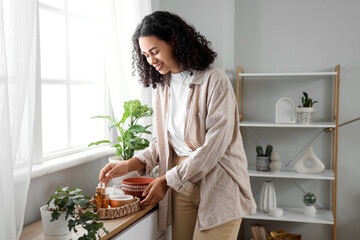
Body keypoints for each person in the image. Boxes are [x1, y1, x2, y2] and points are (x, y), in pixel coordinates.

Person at [99, 11, 256, 240]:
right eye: (145, 54)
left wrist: (166, 180)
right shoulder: (163, 86)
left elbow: (214, 146)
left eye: (154, 51)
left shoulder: (215, 80)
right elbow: (164, 140)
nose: (151, 60)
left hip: (218, 179)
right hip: (180, 180)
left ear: (174, 40)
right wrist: (133, 163)